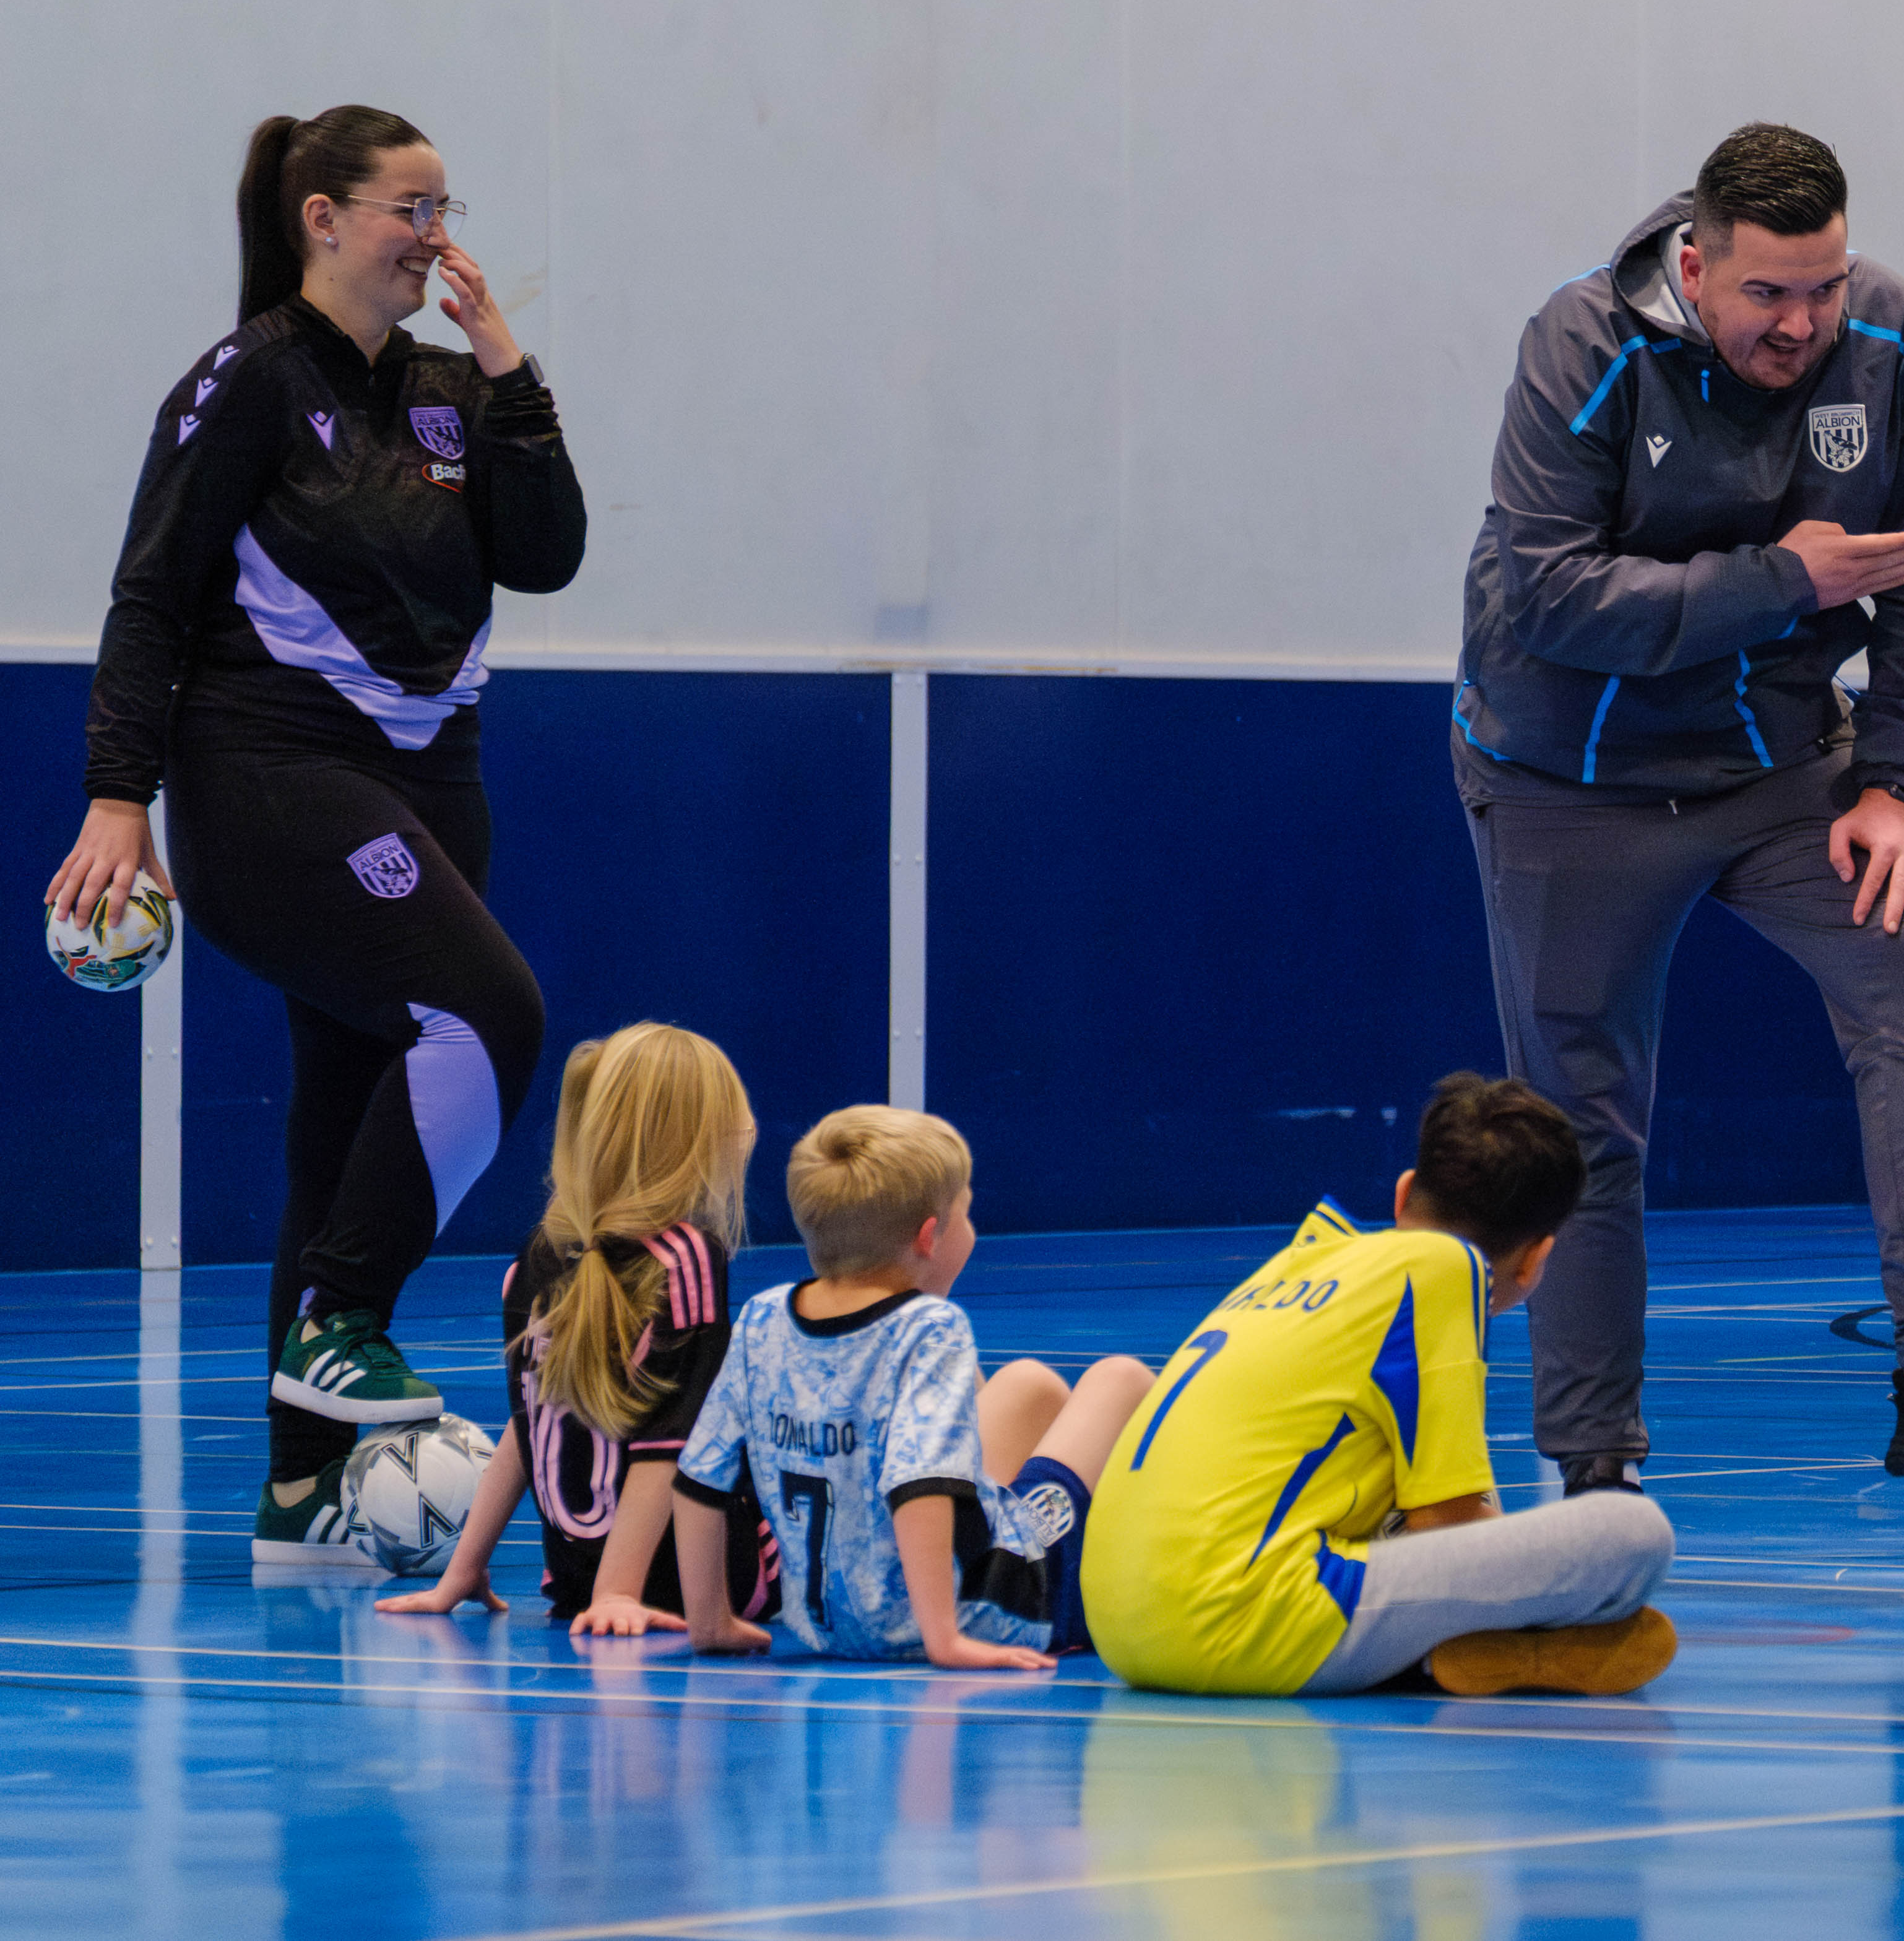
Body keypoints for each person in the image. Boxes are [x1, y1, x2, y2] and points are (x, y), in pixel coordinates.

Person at [45, 106, 584, 1563]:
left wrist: (508, 374)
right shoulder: (246, 383)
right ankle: (344, 1325)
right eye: (409, 206)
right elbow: (150, 596)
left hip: (436, 779)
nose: (436, 231)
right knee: (491, 1010)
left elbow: (544, 557)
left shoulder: (447, 390)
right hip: (274, 772)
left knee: (344, 1116)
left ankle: (299, 1489)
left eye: (443, 204)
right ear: (324, 219)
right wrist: (119, 796)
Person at [1453, 122, 1904, 1489]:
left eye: (1822, 285)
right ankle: (1593, 1467)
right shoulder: (1580, 346)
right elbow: (1549, 596)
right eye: (1766, 293)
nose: (1801, 323)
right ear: (1694, 266)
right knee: (1581, 1127)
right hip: (1565, 782)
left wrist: (1893, 784)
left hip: (1779, 772)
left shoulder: (1889, 341)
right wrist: (1781, 581)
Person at [1084, 1073, 1679, 1698]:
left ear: (1401, 1196)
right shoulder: (1448, 1267)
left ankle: (1445, 1655)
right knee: (1632, 1533)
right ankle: (1468, 1651)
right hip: (1240, 1624)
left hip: (1121, 1628)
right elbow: (1446, 1529)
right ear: (1536, 1258)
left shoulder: (1308, 1255)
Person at [671, 1107, 1153, 1669]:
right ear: (930, 1235)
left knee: (1030, 1384)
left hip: (831, 1625)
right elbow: (919, 1482)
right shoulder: (931, 1331)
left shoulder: (762, 1318)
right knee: (1120, 1379)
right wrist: (944, 1639)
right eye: (966, 1212)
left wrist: (709, 1621)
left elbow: (700, 1475)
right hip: (993, 1602)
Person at [373, 1024, 779, 1628]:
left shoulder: (539, 1255)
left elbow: (526, 1427)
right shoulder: (687, 1255)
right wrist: (621, 1591)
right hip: (705, 1580)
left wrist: (461, 1571)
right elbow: (669, 1444)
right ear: (696, 1139)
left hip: (574, 1585)